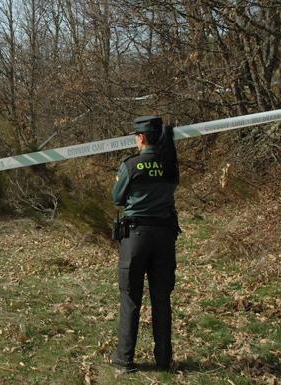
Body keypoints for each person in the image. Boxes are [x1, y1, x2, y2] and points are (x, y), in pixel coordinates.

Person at [110, 115, 180, 374]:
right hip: (164, 238)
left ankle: (124, 360)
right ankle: (163, 360)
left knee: (130, 298)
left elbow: (117, 198)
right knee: (162, 299)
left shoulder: (131, 165)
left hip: (135, 238)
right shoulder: (170, 165)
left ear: (140, 137)